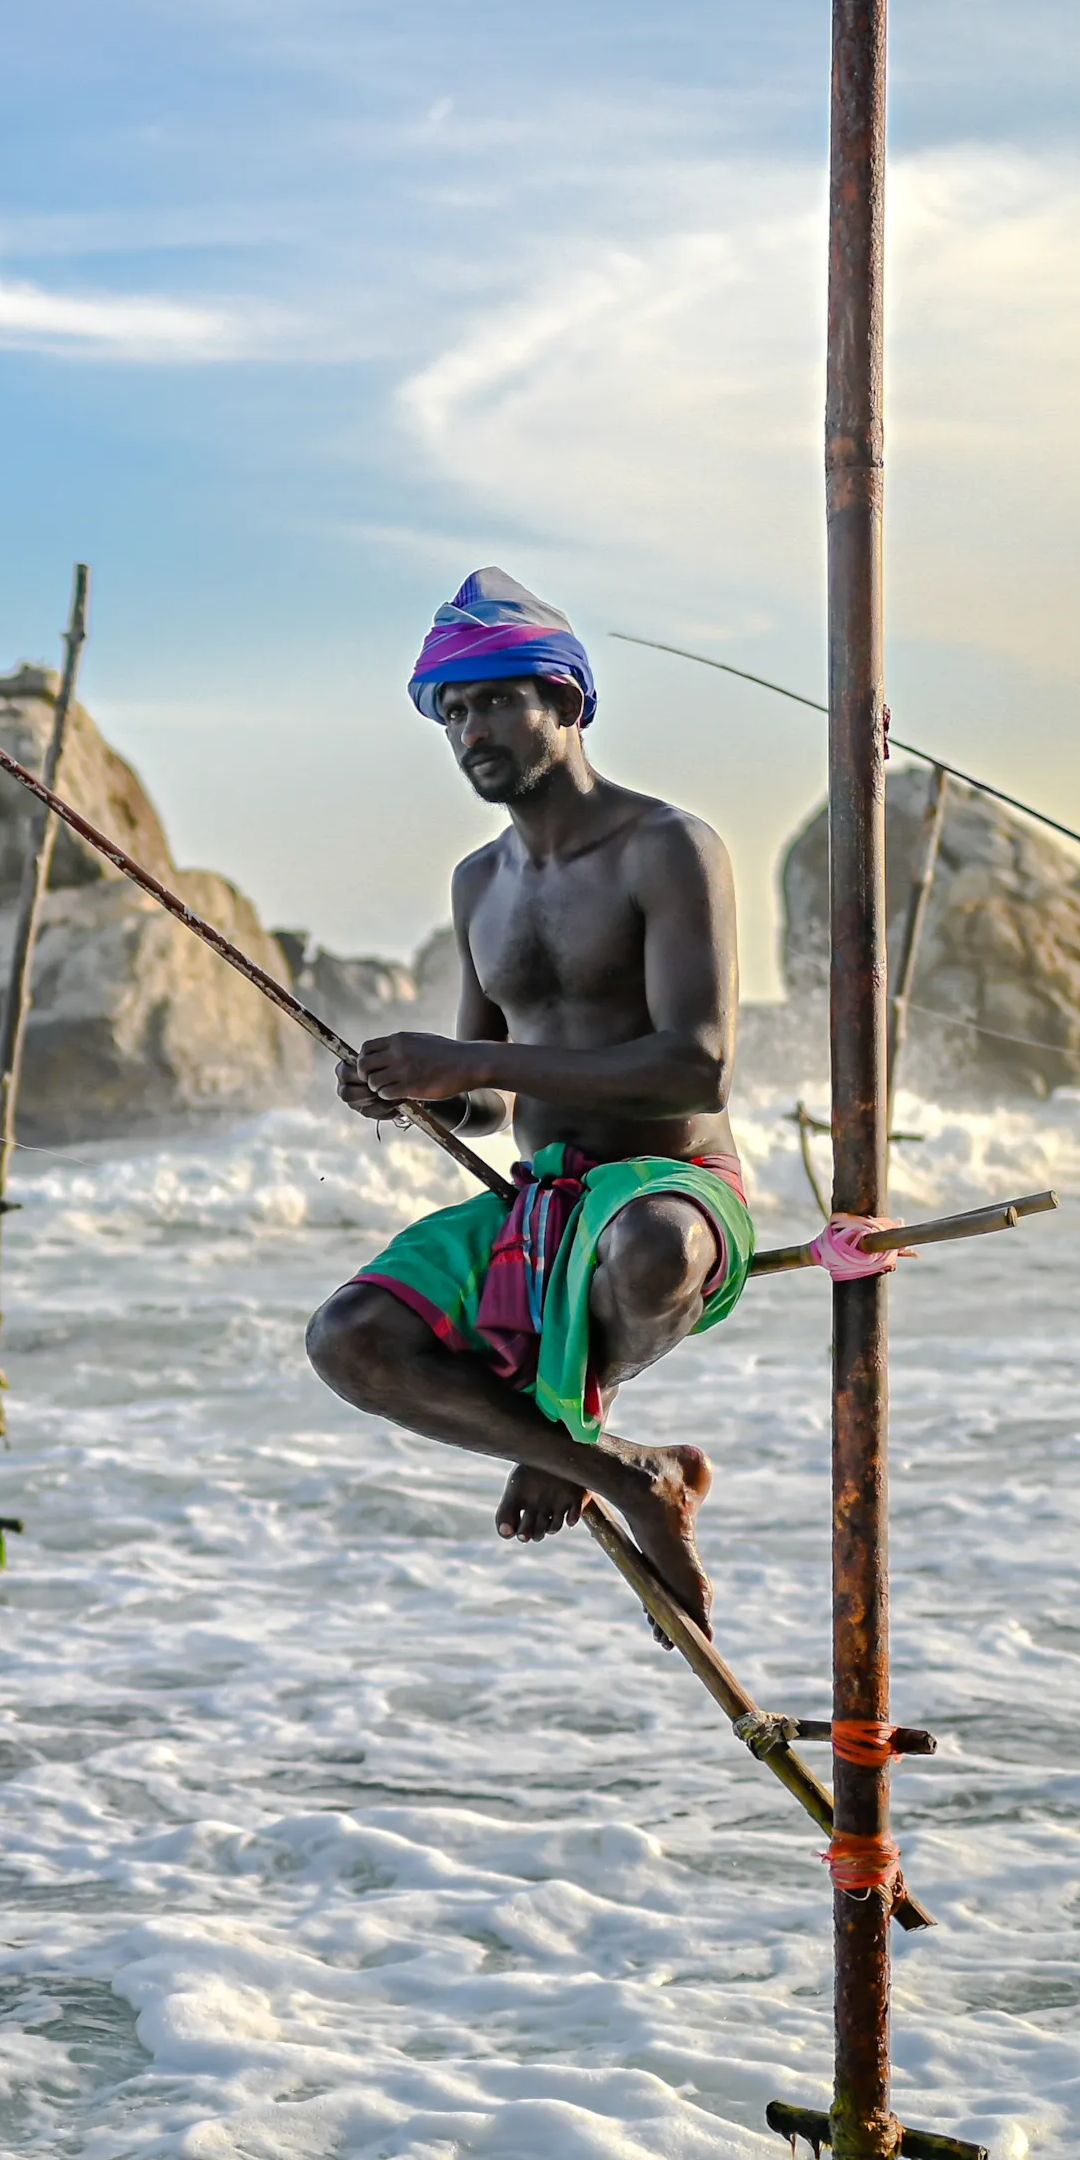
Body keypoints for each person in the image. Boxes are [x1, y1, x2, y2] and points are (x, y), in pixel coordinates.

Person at [303, 570, 763, 1631]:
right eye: (452, 710)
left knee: (650, 1249)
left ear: (568, 701)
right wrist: (408, 1092)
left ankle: (565, 1417)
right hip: (543, 1206)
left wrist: (471, 1064)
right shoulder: (478, 881)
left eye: (498, 698)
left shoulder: (668, 845)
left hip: (671, 1187)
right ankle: (622, 1466)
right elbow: (487, 1094)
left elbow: (698, 1067)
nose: (472, 728)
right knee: (348, 1338)